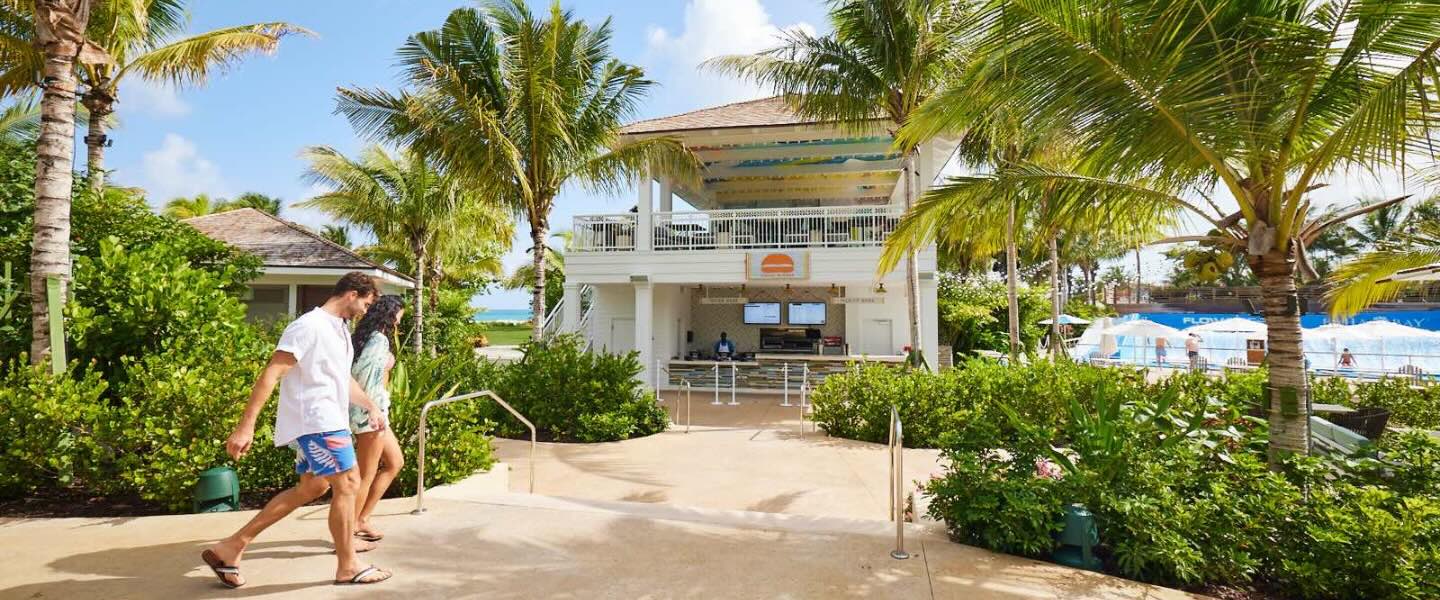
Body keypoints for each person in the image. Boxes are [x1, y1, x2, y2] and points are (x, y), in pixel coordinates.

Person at [201, 272, 393, 588]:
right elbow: (272, 373)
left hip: (327, 419)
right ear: (352, 294)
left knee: (313, 488)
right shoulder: (309, 326)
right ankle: (348, 566)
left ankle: (231, 547)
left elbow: (341, 380)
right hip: (318, 421)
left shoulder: (340, 330)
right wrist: (245, 427)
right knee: (348, 484)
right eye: (366, 303)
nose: (365, 311)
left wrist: (371, 407)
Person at [349, 295, 406, 544]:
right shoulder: (378, 340)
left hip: (375, 413)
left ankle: (362, 519)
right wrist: (373, 411)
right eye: (399, 316)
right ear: (390, 315)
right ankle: (348, 530)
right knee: (366, 474)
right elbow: (365, 378)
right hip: (370, 416)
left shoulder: (367, 337)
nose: (399, 322)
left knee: (395, 462)